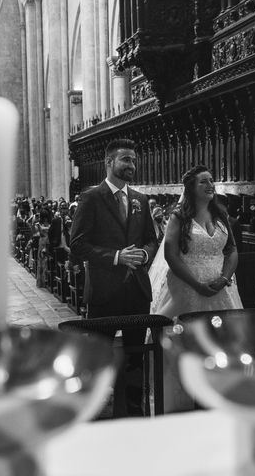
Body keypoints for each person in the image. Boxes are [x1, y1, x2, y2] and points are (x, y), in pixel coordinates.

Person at [70, 138, 158, 417]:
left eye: (133, 159)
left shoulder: (141, 200)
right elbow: (78, 245)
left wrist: (143, 256)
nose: (132, 164)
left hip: (136, 290)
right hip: (105, 291)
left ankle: (134, 411)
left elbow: (151, 240)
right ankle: (94, 412)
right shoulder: (91, 198)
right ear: (109, 163)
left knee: (135, 357)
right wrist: (117, 257)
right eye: (126, 159)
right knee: (98, 355)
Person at [149, 165, 243, 412]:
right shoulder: (179, 217)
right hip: (188, 288)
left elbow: (231, 250)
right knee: (188, 346)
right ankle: (185, 401)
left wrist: (224, 278)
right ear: (191, 187)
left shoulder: (221, 215)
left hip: (222, 289)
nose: (210, 185)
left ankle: (219, 398)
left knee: (221, 344)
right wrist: (197, 285)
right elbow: (171, 254)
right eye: (204, 181)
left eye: (211, 181)